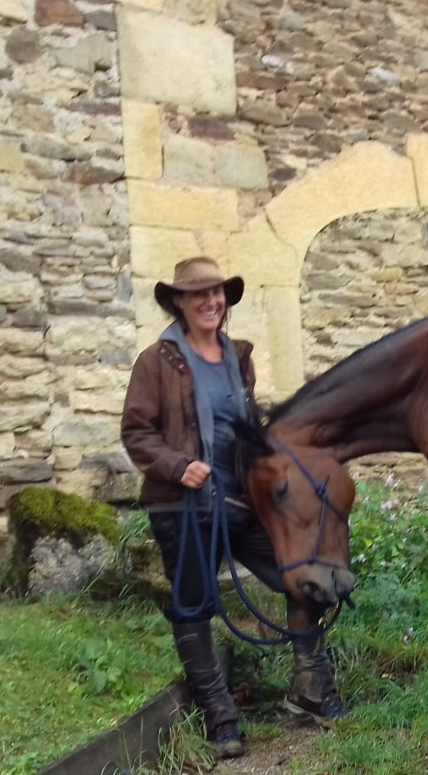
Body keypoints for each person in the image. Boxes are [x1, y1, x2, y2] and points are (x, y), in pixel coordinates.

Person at [120, 257, 346, 758]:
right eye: (198, 294)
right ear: (178, 301)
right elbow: (136, 432)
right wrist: (178, 465)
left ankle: (310, 690)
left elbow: (246, 426)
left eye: (218, 293)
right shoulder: (157, 362)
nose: (211, 302)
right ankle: (221, 717)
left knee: (303, 577)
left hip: (242, 500)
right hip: (182, 505)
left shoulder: (237, 356)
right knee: (194, 605)